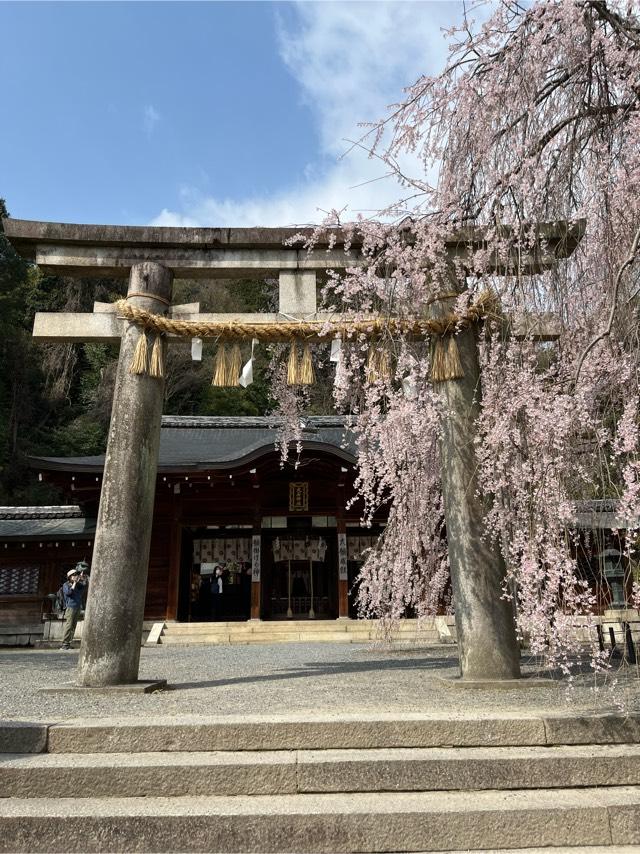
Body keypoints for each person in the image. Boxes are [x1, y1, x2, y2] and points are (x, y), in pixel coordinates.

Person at [60, 561, 89, 650]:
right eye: (73, 575)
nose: (75, 576)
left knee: (73, 626)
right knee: (69, 625)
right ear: (69, 577)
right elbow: (68, 593)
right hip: (70, 607)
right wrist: (75, 583)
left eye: (75, 575)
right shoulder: (66, 585)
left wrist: (82, 579)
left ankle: (68, 643)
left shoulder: (78, 585)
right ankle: (64, 643)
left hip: (77, 607)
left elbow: (84, 587)